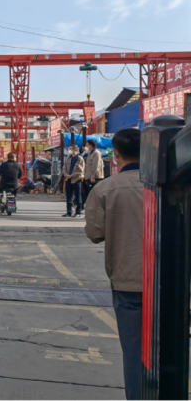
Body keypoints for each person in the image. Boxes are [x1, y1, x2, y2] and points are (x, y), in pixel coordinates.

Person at [84, 128, 142, 400]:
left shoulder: (105, 188)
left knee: (135, 353)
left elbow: (95, 234)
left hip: (128, 282)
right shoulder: (173, 184)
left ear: (115, 154)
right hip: (175, 282)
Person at [62, 144, 85, 217]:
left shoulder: (80, 159)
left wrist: (72, 175)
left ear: (75, 149)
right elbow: (64, 169)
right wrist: (66, 175)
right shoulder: (68, 158)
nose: (69, 150)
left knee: (78, 196)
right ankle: (69, 212)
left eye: (70, 149)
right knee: (69, 196)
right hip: (68, 180)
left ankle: (78, 212)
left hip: (76, 179)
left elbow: (81, 170)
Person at [83, 139, 104, 208]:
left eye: (87, 145)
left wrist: (93, 176)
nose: (86, 147)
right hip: (89, 177)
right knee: (90, 195)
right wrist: (86, 178)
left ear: (90, 146)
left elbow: (96, 166)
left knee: (95, 196)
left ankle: (96, 212)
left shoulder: (96, 153)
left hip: (94, 178)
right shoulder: (90, 153)